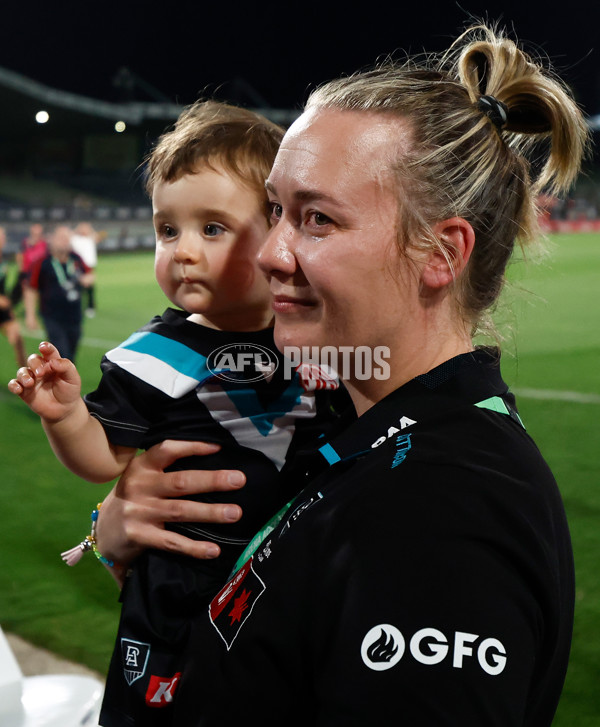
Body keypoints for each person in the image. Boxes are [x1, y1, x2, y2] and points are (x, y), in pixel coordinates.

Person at [91, 24, 588, 726]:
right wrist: (116, 529)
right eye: (275, 212)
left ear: (441, 254)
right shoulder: (361, 426)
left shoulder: (449, 510)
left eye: (316, 219)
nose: (270, 253)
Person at [8, 100, 344, 726]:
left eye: (212, 229)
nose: (183, 251)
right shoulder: (155, 352)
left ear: (278, 230)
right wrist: (66, 418)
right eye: (169, 230)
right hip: (177, 593)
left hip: (295, 587)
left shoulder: (322, 340)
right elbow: (103, 458)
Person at [22, 225, 93, 363]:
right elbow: (31, 289)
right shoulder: (42, 262)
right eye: (61, 238)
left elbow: (90, 275)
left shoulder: (76, 259)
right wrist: (30, 316)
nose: (65, 241)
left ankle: (66, 382)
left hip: (75, 316)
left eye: (67, 238)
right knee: (62, 353)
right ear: (51, 239)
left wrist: (86, 279)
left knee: (71, 356)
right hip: (52, 316)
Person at [0, 226, 26, 367]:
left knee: (18, 339)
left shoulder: (3, 262)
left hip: (3, 312)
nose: (2, 240)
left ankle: (26, 378)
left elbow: (10, 297)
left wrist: (21, 271)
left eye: (3, 237)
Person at [12, 222, 48, 307]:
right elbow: (20, 255)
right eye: (35, 228)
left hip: (40, 271)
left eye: (38, 228)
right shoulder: (25, 242)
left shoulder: (45, 243)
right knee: (25, 290)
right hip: (27, 270)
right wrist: (20, 267)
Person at [70, 221, 100, 317]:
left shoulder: (90, 238)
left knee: (90, 287)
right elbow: (69, 236)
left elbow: (98, 237)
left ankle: (90, 307)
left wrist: (90, 229)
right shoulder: (75, 239)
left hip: (89, 266)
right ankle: (77, 307)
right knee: (77, 287)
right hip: (78, 267)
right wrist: (77, 229)